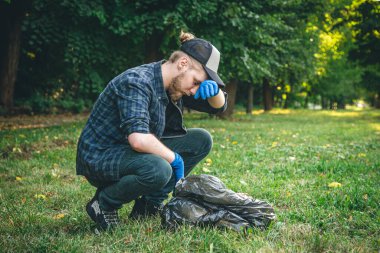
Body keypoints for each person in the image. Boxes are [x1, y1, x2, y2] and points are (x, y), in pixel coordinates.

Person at [76, 31, 227, 230]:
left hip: (129, 152)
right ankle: (104, 203)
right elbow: (138, 139)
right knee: (159, 168)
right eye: (197, 82)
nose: (194, 90)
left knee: (201, 140)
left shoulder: (177, 84)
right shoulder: (137, 81)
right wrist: (174, 158)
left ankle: (149, 205)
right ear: (182, 64)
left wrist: (215, 91)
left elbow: (218, 107)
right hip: (101, 156)